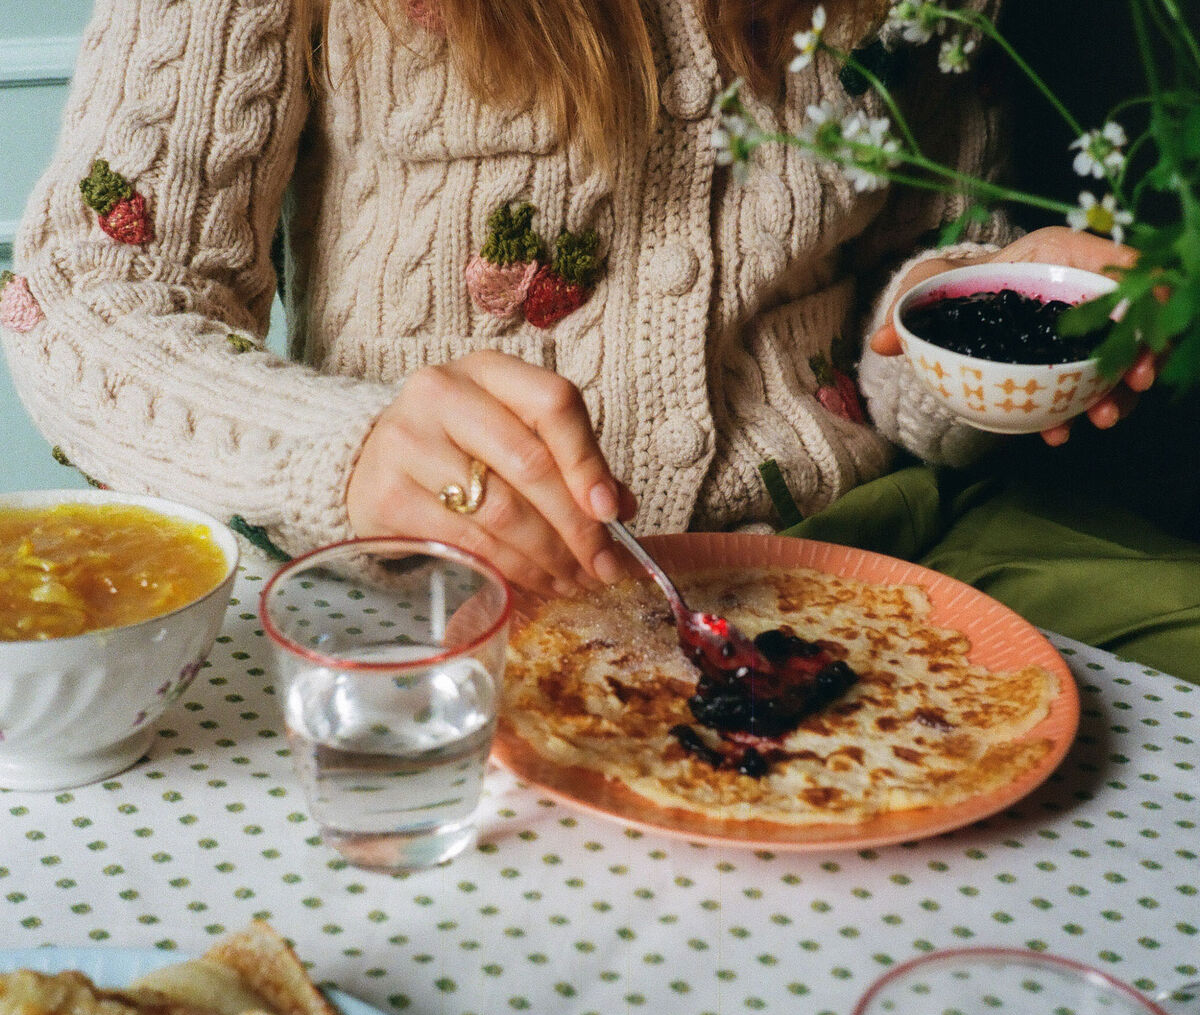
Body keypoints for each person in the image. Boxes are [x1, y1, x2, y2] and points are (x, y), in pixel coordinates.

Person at [0, 0, 1153, 605]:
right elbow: (87, 299)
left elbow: (894, 314)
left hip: (879, 552)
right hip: (435, 594)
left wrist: (999, 326)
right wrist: (345, 456)